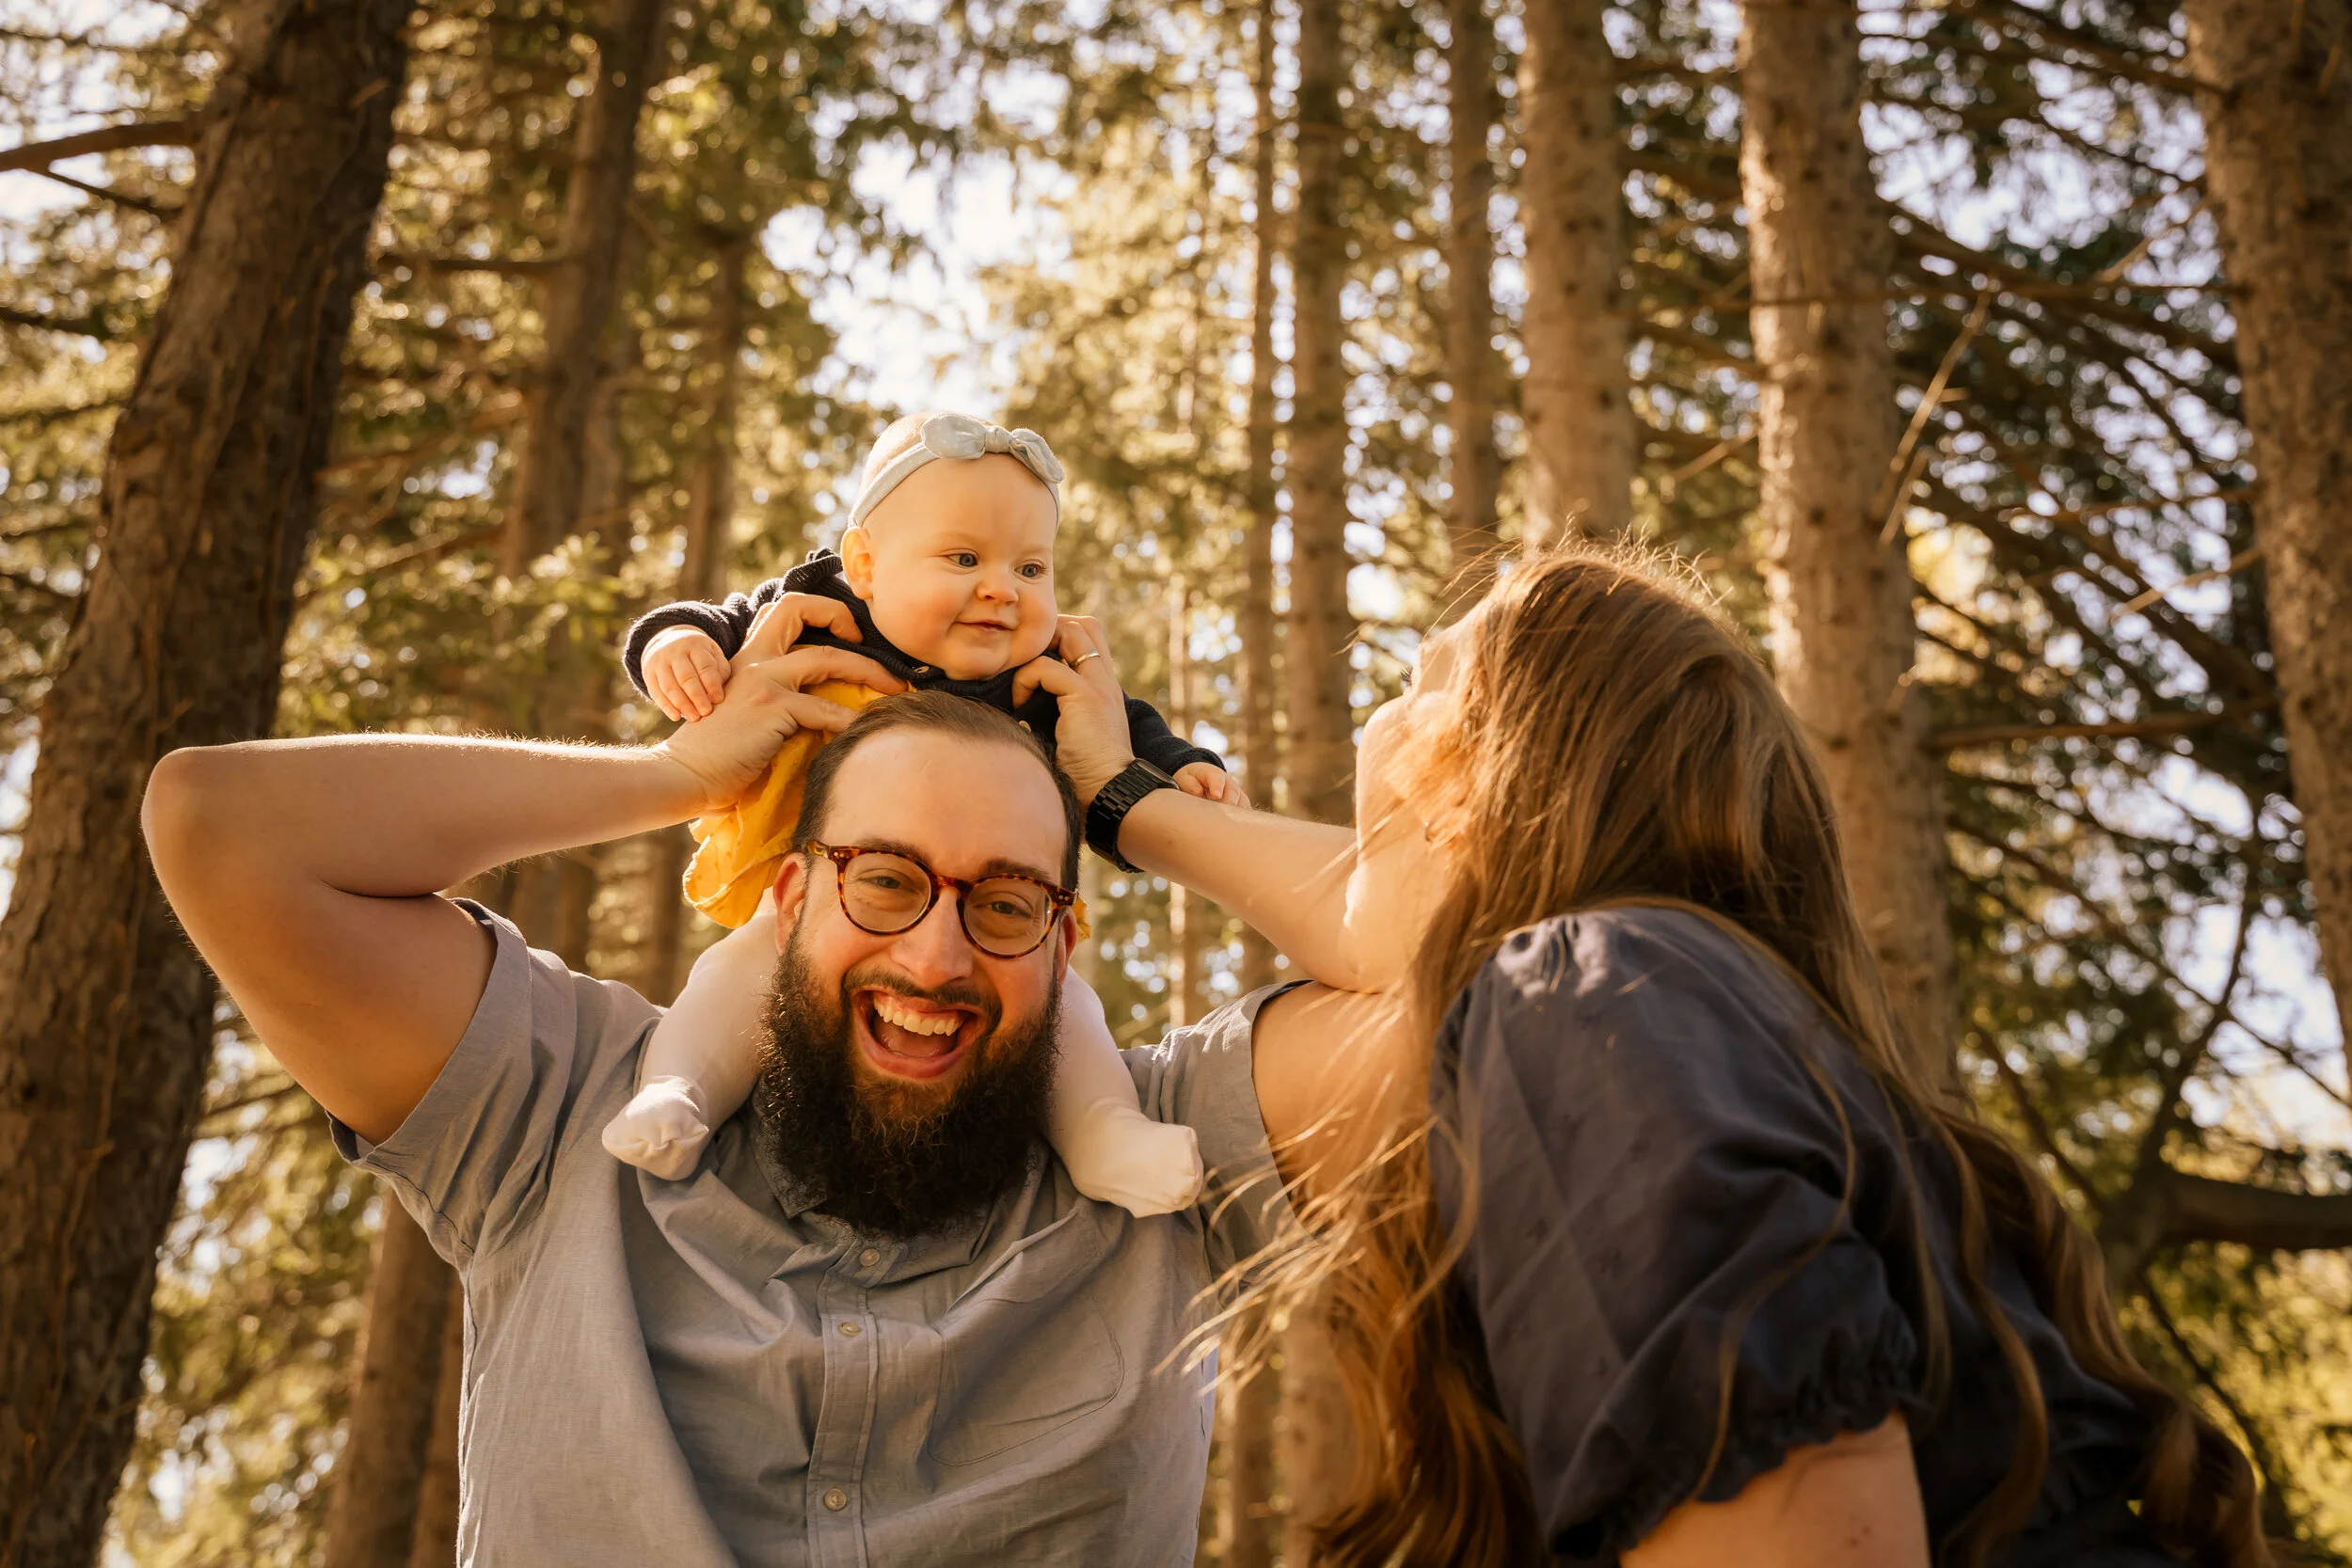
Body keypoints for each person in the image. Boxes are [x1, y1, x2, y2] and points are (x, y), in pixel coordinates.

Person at [1061, 546, 2270, 1568]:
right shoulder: (1685, 1020)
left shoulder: (1586, 1005)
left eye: (1415, 686)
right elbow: (1380, 934)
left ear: (1480, 792)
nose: (1373, 729)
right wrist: (1122, 798)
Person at [139, 625, 1325, 1568]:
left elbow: (1473, 967)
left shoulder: (1180, 1144)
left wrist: (1130, 800)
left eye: (1007, 903)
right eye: (884, 879)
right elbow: (220, 825)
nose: (935, 957)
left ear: (1064, 946)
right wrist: (676, 775)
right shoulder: (561, 1110)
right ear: (789, 897)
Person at [602, 410, 1236, 1215]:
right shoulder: (814, 606)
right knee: (741, 969)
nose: (1002, 588)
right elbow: (715, 622)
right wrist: (676, 646)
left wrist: (1185, 769)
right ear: (864, 563)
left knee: (1065, 1004)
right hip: (825, 896)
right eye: (964, 557)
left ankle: (1107, 1132)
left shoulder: (1038, 670)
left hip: (993, 918)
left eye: (1032, 568)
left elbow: (1132, 728)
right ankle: (677, 1091)